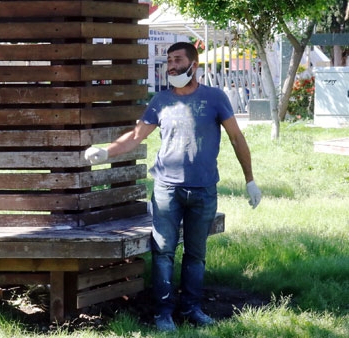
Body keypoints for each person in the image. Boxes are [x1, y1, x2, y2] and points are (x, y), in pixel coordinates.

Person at [84, 42, 261, 332]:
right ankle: (163, 313)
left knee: (196, 254)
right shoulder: (160, 101)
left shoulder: (215, 98)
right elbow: (135, 136)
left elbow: (237, 139)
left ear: (194, 65)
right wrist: (107, 152)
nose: (171, 66)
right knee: (163, 251)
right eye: (168, 61)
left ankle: (191, 308)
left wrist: (250, 180)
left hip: (204, 190)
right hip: (167, 188)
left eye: (177, 59)